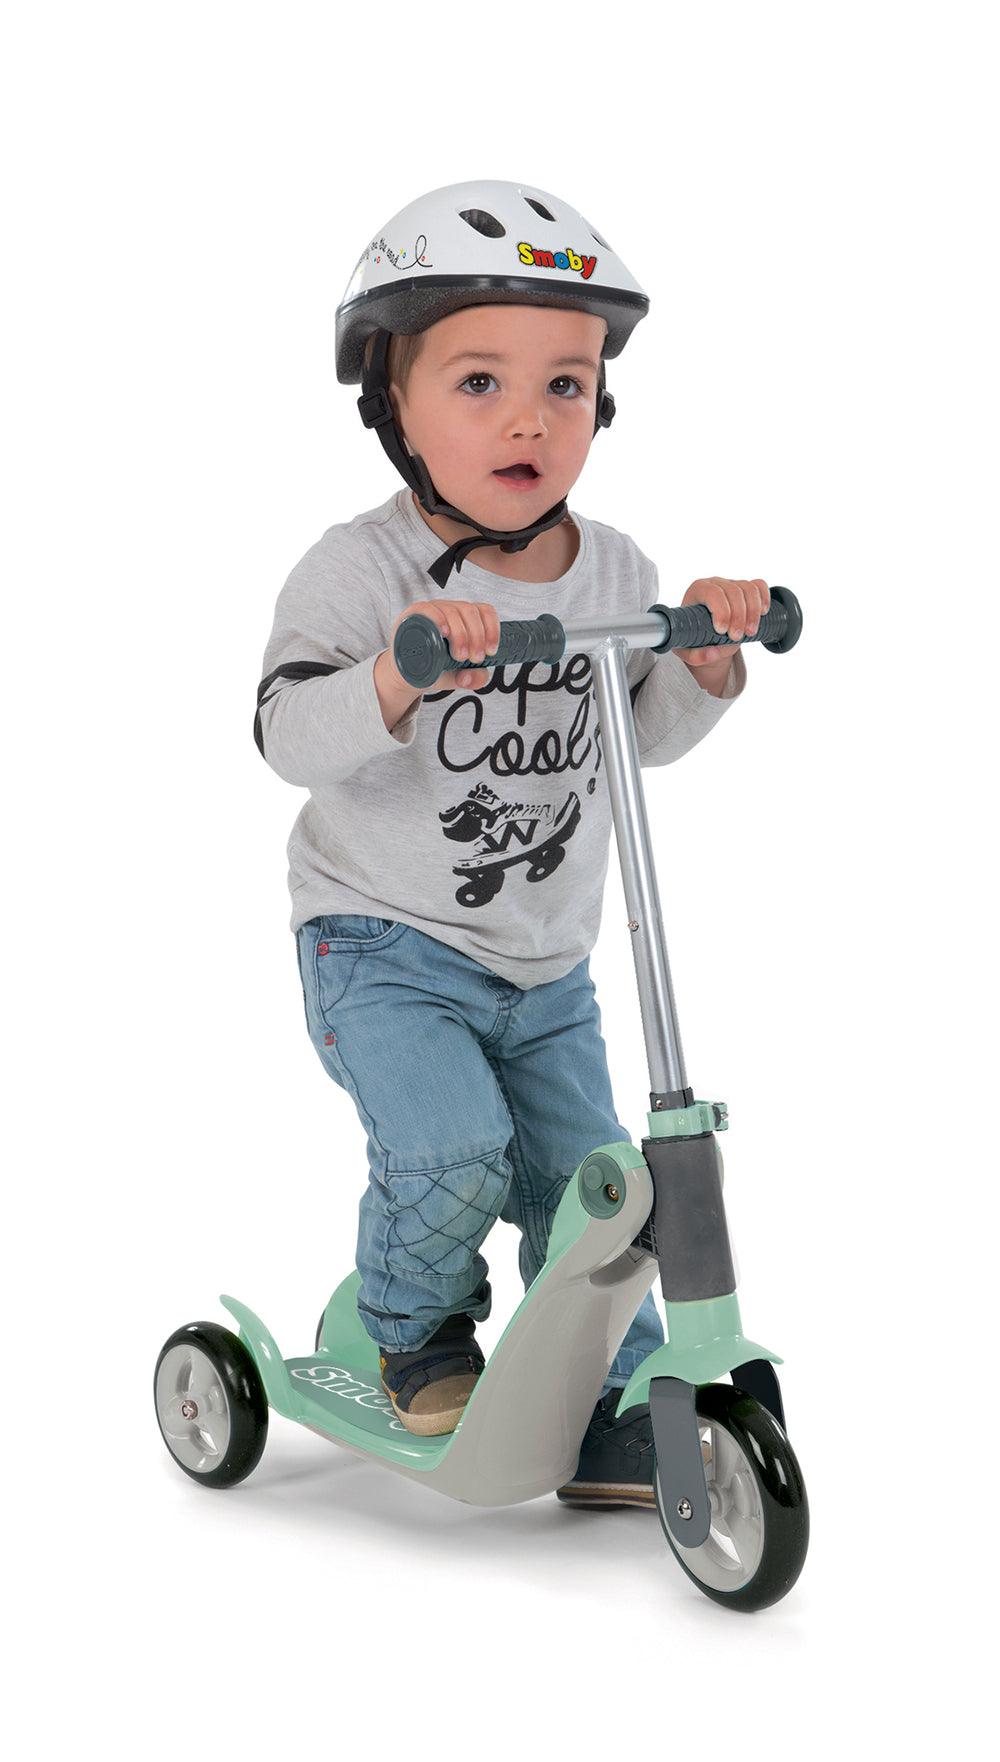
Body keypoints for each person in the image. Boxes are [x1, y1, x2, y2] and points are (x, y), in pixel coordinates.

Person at [255, 180, 769, 1508]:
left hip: (547, 966)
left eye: (566, 384)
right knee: (448, 1148)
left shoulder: (613, 570)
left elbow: (637, 736)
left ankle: (618, 1398)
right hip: (383, 943)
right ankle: (416, 1326)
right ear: (392, 398)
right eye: (479, 381)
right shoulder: (357, 572)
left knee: (596, 1186)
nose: (530, 418)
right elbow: (285, 735)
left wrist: (703, 658)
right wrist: (398, 672)